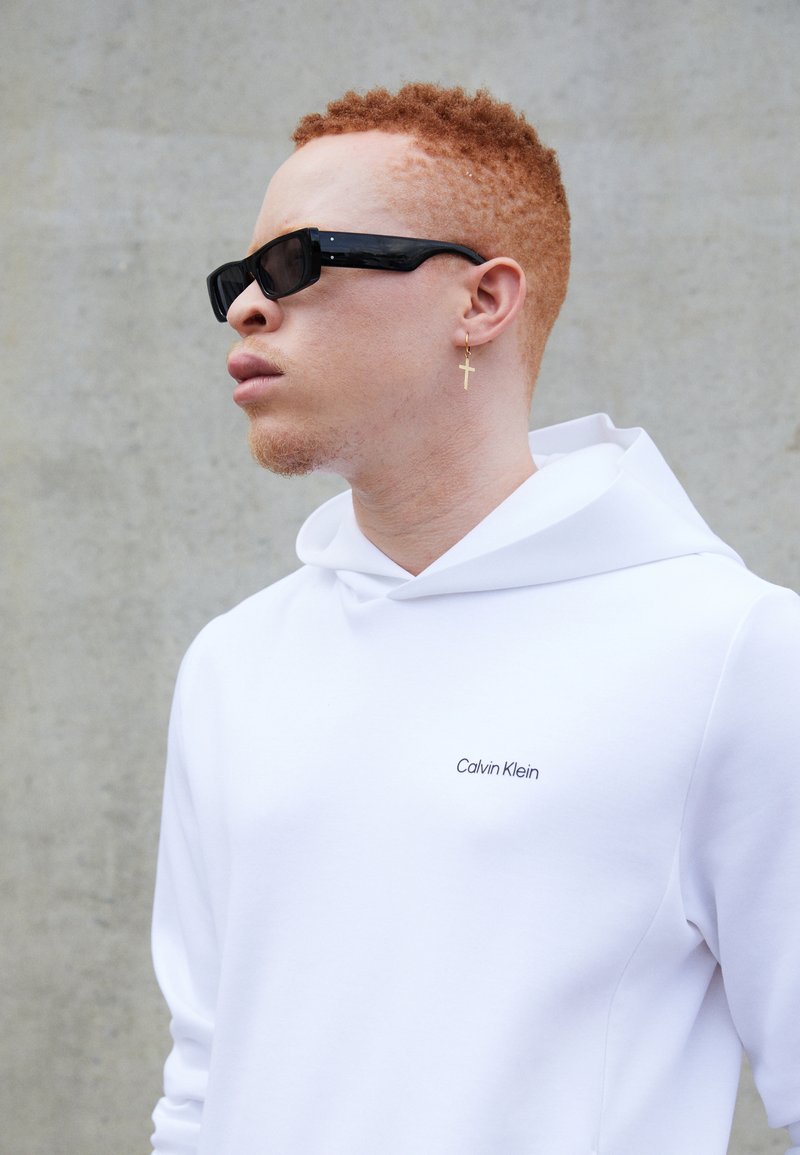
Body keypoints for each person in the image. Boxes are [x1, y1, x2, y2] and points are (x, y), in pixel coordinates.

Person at [151, 84, 800, 1155]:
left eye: (297, 262)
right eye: (238, 279)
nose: (246, 307)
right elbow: (202, 1084)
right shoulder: (237, 660)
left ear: (482, 301)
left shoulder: (733, 653)